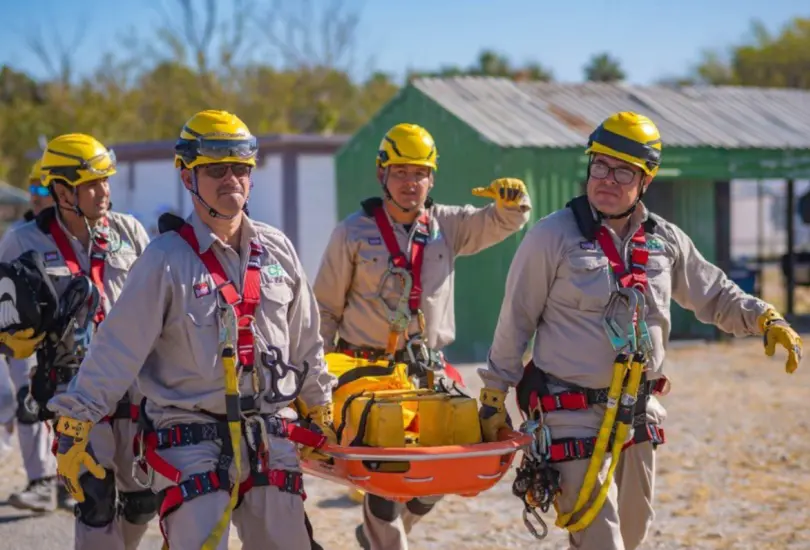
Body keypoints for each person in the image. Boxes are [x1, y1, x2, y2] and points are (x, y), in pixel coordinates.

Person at [477, 111, 803, 550]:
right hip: (569, 413)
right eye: (600, 165)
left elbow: (714, 293)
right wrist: (493, 394)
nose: (607, 180)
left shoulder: (665, 240)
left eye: (623, 171)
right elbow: (515, 319)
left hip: (637, 414)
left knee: (632, 533)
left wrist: (765, 317)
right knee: (601, 540)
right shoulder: (550, 237)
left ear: (646, 180)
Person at [48, 109, 337, 550]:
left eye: (240, 168)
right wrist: (76, 421)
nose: (231, 179)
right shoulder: (164, 259)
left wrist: (320, 406)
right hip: (190, 441)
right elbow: (116, 349)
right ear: (187, 176)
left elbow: (307, 342)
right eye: (216, 170)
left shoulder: (278, 250)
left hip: (268, 435)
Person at [313, 122, 532, 550]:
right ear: (382, 174)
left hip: (427, 372)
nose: (410, 182)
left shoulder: (448, 225)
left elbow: (499, 222)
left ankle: (379, 534)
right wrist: (316, 383)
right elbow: (324, 309)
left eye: (419, 173)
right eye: (400, 172)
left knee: (441, 468)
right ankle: (386, 540)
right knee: (387, 467)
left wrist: (514, 201)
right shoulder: (352, 233)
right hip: (369, 375)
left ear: (432, 178)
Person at [0, 133, 155, 547]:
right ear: (62, 190)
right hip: (73, 393)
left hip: (134, 388)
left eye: (106, 180)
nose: (104, 192)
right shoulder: (22, 242)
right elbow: (5, 321)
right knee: (95, 499)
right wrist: (20, 351)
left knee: (142, 502)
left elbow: (158, 304)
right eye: (92, 183)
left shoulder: (129, 231)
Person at [0, 158, 65, 512]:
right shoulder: (18, 236)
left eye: (42, 188)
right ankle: (40, 481)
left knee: (70, 408)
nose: (35, 195)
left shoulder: (77, 236)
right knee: (29, 404)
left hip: (68, 342)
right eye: (32, 188)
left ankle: (70, 483)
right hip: (24, 341)